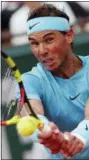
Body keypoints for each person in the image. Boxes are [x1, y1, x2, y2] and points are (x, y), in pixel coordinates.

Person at [16, 4, 89, 159]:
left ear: (69, 36)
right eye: (34, 43)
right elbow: (31, 112)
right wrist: (46, 133)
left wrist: (79, 138)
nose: (41, 51)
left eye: (49, 40)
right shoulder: (30, 81)